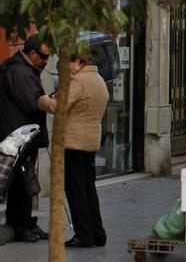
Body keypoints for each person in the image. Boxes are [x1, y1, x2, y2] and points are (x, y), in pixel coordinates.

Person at [37, 51, 109, 248]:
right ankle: (97, 233)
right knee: (88, 188)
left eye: (66, 63)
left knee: (75, 190)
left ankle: (83, 234)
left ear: (77, 61)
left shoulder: (78, 82)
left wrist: (42, 100)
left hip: (73, 142)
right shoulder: (99, 80)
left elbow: (57, 107)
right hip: (90, 141)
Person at [0, 36, 51, 242]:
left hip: (22, 136)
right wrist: (52, 100)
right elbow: (33, 103)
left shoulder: (22, 69)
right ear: (32, 53)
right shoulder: (19, 71)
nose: (47, 61)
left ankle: (25, 222)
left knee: (25, 182)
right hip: (18, 137)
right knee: (21, 184)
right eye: (44, 56)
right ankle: (19, 226)